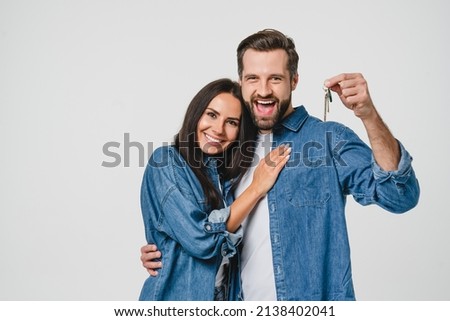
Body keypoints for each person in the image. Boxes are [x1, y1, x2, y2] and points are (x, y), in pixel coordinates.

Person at [140, 29, 420, 300]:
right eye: (253, 78)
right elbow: (200, 230)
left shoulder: (327, 139)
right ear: (241, 82)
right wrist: (167, 249)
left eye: (275, 78)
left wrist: (368, 114)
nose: (263, 90)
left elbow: (399, 196)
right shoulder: (226, 148)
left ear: (294, 80)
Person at [138, 78, 291, 300]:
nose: (218, 129)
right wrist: (257, 188)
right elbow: (202, 240)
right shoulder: (165, 162)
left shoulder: (225, 177)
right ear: (196, 114)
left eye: (231, 122)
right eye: (211, 115)